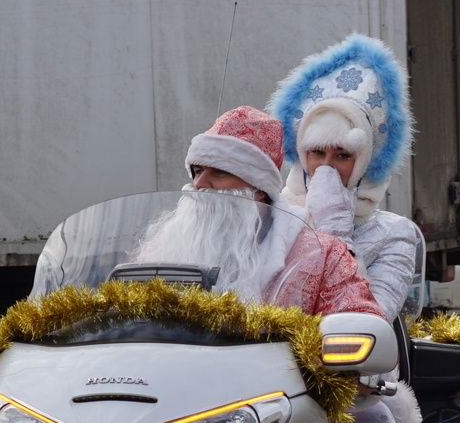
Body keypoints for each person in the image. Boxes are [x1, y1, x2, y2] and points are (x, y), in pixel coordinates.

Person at [271, 37, 441, 423]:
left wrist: (331, 221)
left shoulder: (396, 234)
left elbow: (370, 311)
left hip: (356, 386)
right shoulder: (267, 218)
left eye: (342, 155)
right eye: (315, 151)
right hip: (266, 382)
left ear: (366, 159)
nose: (325, 165)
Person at [136, 105, 380, 317]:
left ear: (259, 189)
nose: (200, 185)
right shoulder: (159, 251)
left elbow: (358, 322)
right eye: (198, 171)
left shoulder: (321, 256)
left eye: (219, 173)